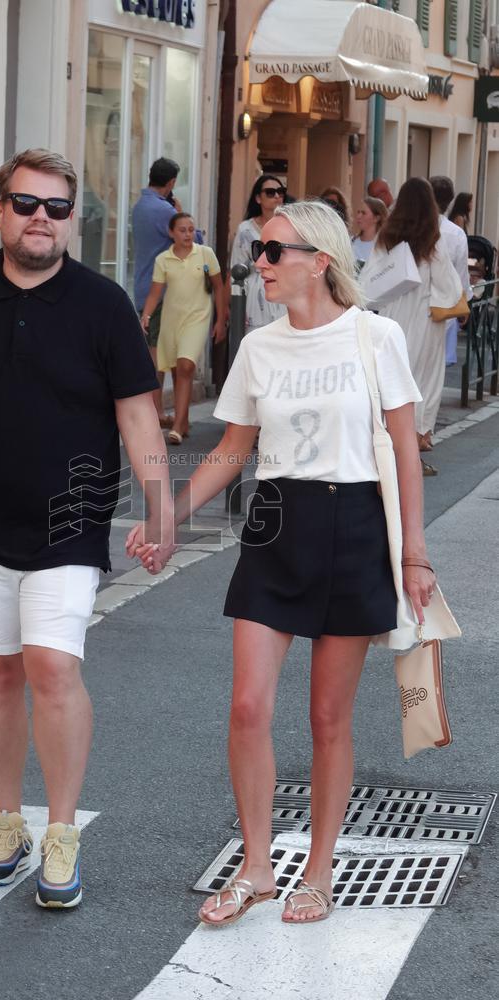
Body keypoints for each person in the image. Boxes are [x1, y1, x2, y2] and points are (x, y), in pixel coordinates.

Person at [128, 199, 432, 925]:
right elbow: (234, 450)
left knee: (329, 717)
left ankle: (318, 872)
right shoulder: (261, 347)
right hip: (275, 524)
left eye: (272, 253)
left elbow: (406, 449)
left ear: (318, 261)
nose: (258, 265)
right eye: (257, 253)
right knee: (247, 706)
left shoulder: (375, 336)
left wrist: (414, 555)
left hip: (357, 526)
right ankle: (257, 867)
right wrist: (169, 517)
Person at [0, 148, 175, 911]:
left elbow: (137, 412)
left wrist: (161, 506)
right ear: (0, 212)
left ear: (72, 221)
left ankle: (61, 834)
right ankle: (7, 823)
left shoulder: (104, 304)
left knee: (52, 668)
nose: (40, 219)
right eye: (26, 204)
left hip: (69, 523)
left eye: (55, 208)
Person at [366, 177, 462, 474]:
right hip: (423, 320)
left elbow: (371, 279)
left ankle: (385, 446)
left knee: (389, 382)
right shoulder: (432, 241)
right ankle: (412, 451)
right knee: (420, 383)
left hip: (391, 316)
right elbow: (447, 286)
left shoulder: (386, 237)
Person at [141, 213, 225, 444]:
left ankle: (177, 426)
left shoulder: (206, 254)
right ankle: (184, 422)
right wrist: (145, 316)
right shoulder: (163, 260)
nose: (188, 234)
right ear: (171, 233)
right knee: (178, 371)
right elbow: (155, 293)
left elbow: (219, 287)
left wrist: (221, 320)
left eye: (191, 229)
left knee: (186, 366)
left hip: (198, 318)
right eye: (182, 230)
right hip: (171, 320)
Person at [132, 157, 181, 428]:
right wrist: (181, 212)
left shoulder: (139, 206)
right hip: (159, 291)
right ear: (171, 182)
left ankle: (154, 410)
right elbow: (191, 239)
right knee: (157, 356)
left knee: (154, 353)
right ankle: (156, 411)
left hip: (143, 285)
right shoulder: (164, 211)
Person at [228, 174, 287, 332]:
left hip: (284, 295)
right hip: (255, 299)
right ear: (258, 198)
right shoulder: (245, 229)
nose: (276, 196)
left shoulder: (290, 227)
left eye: (280, 192)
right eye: (270, 192)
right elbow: (236, 269)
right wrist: (235, 304)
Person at [429, 176, 472, 371]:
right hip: (443, 308)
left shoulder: (410, 228)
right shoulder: (456, 234)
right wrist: (465, 302)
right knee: (435, 374)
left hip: (413, 306)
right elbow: (461, 275)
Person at [351, 196, 388, 265]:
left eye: (363, 213)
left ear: (376, 218)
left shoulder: (384, 246)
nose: (358, 216)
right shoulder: (351, 242)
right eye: (358, 212)